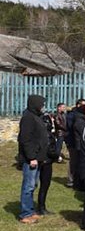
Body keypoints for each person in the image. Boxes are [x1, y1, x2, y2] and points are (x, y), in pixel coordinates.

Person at [17, 94, 50, 224]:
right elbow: (25, 140)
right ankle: (25, 214)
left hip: (38, 157)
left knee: (33, 185)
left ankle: (30, 210)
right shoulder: (28, 118)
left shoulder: (36, 116)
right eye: (41, 104)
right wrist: (31, 157)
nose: (43, 107)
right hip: (31, 158)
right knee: (28, 186)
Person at [64, 98, 85, 189]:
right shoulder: (72, 115)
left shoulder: (82, 115)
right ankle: (71, 180)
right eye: (83, 105)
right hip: (73, 141)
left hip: (80, 142)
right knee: (73, 161)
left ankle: (78, 179)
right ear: (78, 105)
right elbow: (71, 127)